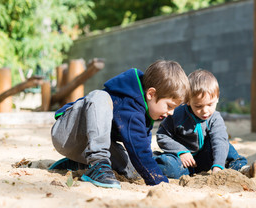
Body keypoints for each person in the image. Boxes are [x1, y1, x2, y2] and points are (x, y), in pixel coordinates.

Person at [49, 60, 190, 189]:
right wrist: (160, 182)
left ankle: (79, 164)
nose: (171, 113)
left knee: (132, 170)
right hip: (67, 133)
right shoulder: (129, 103)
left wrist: (156, 175)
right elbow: (140, 151)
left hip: (87, 145)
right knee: (100, 96)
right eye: (169, 106)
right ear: (151, 94)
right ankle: (98, 163)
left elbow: (141, 152)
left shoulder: (145, 112)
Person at [154, 69, 256, 179]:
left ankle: (241, 168)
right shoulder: (177, 114)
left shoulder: (215, 118)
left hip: (205, 158)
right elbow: (162, 135)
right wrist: (181, 151)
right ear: (187, 100)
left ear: (217, 98)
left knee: (223, 143)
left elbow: (219, 141)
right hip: (182, 161)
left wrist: (218, 166)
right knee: (168, 166)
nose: (205, 111)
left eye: (210, 105)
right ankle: (149, 163)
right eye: (198, 106)